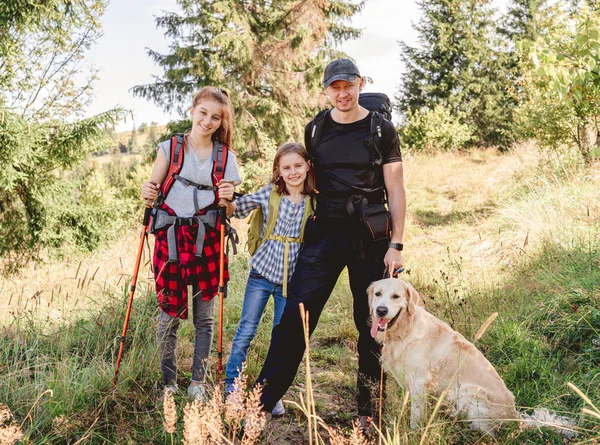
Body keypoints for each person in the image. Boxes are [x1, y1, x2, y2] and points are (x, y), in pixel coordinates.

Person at [254, 58, 406, 424]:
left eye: (348, 85)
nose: (342, 93)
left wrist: (396, 244)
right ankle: (258, 404)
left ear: (360, 83)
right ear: (326, 91)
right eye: (334, 87)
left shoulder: (381, 129)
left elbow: (396, 187)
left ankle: (370, 413)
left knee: (373, 323)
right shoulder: (316, 129)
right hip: (325, 234)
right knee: (296, 316)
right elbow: (301, 180)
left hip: (372, 236)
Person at [141, 86, 240, 401]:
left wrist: (228, 200)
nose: (207, 121)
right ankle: (169, 382)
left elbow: (230, 210)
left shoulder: (226, 158)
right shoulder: (170, 149)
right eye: (203, 113)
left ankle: (198, 382)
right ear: (193, 111)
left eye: (215, 117)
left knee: (204, 317)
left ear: (221, 122)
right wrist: (146, 192)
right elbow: (152, 193)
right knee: (169, 315)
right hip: (169, 241)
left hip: (207, 241)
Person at [225, 142, 316, 416]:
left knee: (282, 340)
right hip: (261, 275)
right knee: (245, 331)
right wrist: (227, 199)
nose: (293, 172)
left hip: (290, 282)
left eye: (298, 165)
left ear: (308, 165)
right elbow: (237, 208)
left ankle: (271, 391)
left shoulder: (315, 201)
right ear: (278, 170)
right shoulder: (271, 194)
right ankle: (232, 388)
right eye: (286, 167)